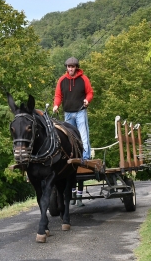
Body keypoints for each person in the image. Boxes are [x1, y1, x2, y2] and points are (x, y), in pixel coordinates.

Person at [53, 56, 93, 206]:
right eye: (68, 67)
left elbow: (90, 92)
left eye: (73, 66)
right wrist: (56, 105)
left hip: (80, 111)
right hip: (68, 113)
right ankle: (70, 155)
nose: (70, 69)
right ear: (66, 67)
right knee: (69, 136)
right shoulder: (62, 80)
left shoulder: (84, 79)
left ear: (76, 67)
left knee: (83, 135)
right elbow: (58, 95)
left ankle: (85, 157)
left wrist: (87, 100)